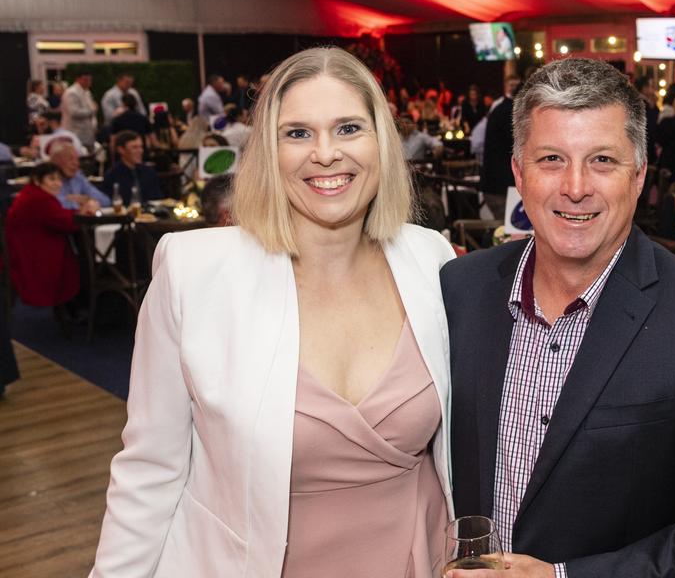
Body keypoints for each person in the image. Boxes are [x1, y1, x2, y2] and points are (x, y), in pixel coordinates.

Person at [92, 47, 457, 577]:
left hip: (418, 558)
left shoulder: (431, 258)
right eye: (298, 133)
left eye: (349, 128)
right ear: (267, 149)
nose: (326, 153)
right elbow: (149, 470)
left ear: (382, 141)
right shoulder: (193, 273)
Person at [442, 58, 675, 577]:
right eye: (551, 159)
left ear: (640, 174)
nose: (575, 187)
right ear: (518, 172)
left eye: (602, 160)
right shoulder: (460, 290)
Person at [4, 162, 87, 313]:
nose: (57, 184)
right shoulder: (39, 199)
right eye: (52, 179)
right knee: (81, 261)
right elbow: (66, 222)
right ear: (37, 180)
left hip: (25, 251)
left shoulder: (32, 194)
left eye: (59, 179)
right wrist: (84, 212)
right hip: (35, 256)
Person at [480, 75, 520, 221]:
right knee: (513, 234)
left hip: (498, 186)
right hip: (503, 189)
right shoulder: (509, 113)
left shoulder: (502, 108)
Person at [103, 130, 164, 204]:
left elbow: (157, 199)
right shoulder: (112, 175)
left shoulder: (149, 172)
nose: (140, 151)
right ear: (121, 150)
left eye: (141, 147)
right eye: (134, 147)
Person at [49, 141, 108, 211]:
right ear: (56, 161)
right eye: (70, 159)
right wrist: (81, 202)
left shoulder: (78, 177)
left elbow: (106, 201)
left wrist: (84, 199)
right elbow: (52, 205)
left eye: (77, 159)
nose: (76, 163)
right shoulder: (47, 179)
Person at [62, 71, 98, 148]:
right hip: (77, 133)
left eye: (89, 80)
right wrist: (92, 110)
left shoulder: (86, 92)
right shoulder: (72, 92)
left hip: (87, 133)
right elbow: (74, 112)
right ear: (78, 79)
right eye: (85, 79)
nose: (88, 82)